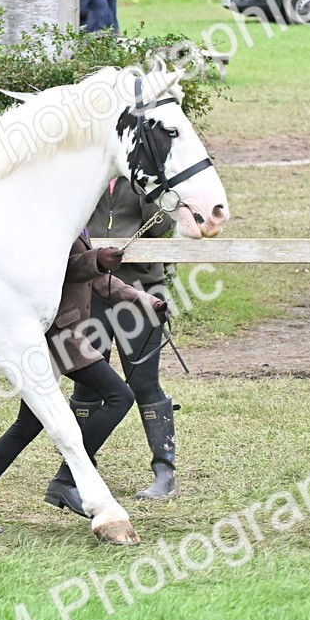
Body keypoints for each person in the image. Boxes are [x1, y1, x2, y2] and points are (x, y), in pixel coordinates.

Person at [0, 235, 163, 535]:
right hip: (58, 335)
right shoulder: (56, 218)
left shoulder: (77, 220)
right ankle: (67, 479)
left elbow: (101, 282)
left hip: (63, 332)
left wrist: (143, 301)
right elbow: (65, 267)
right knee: (119, 396)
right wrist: (96, 260)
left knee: (27, 424)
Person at [75, 180, 181, 500]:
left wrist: (147, 187)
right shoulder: (88, 170)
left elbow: (162, 225)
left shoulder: (144, 177)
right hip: (91, 287)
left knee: (144, 383)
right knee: (87, 382)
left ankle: (165, 471)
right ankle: (81, 467)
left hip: (143, 286)